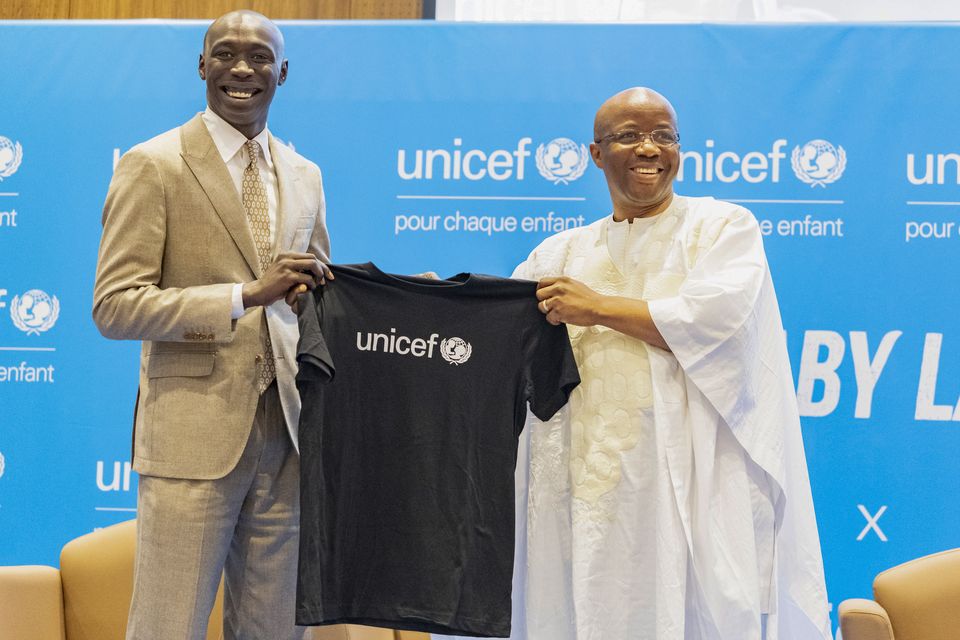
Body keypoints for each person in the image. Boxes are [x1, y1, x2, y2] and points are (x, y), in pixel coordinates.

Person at [510, 88, 832, 639]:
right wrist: (427, 304)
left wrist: (596, 308)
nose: (649, 148)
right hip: (582, 492)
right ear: (595, 153)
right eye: (630, 135)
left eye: (663, 135)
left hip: (687, 491)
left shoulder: (721, 229)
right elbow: (498, 329)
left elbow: (714, 322)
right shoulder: (557, 254)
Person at [92, 11, 330, 640]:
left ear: (283, 72)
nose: (242, 69)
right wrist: (243, 296)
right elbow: (115, 305)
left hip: (288, 437)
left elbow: (315, 297)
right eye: (226, 54)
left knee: (277, 629)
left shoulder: (305, 175)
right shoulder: (154, 164)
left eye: (259, 57)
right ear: (203, 67)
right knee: (167, 626)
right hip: (192, 436)